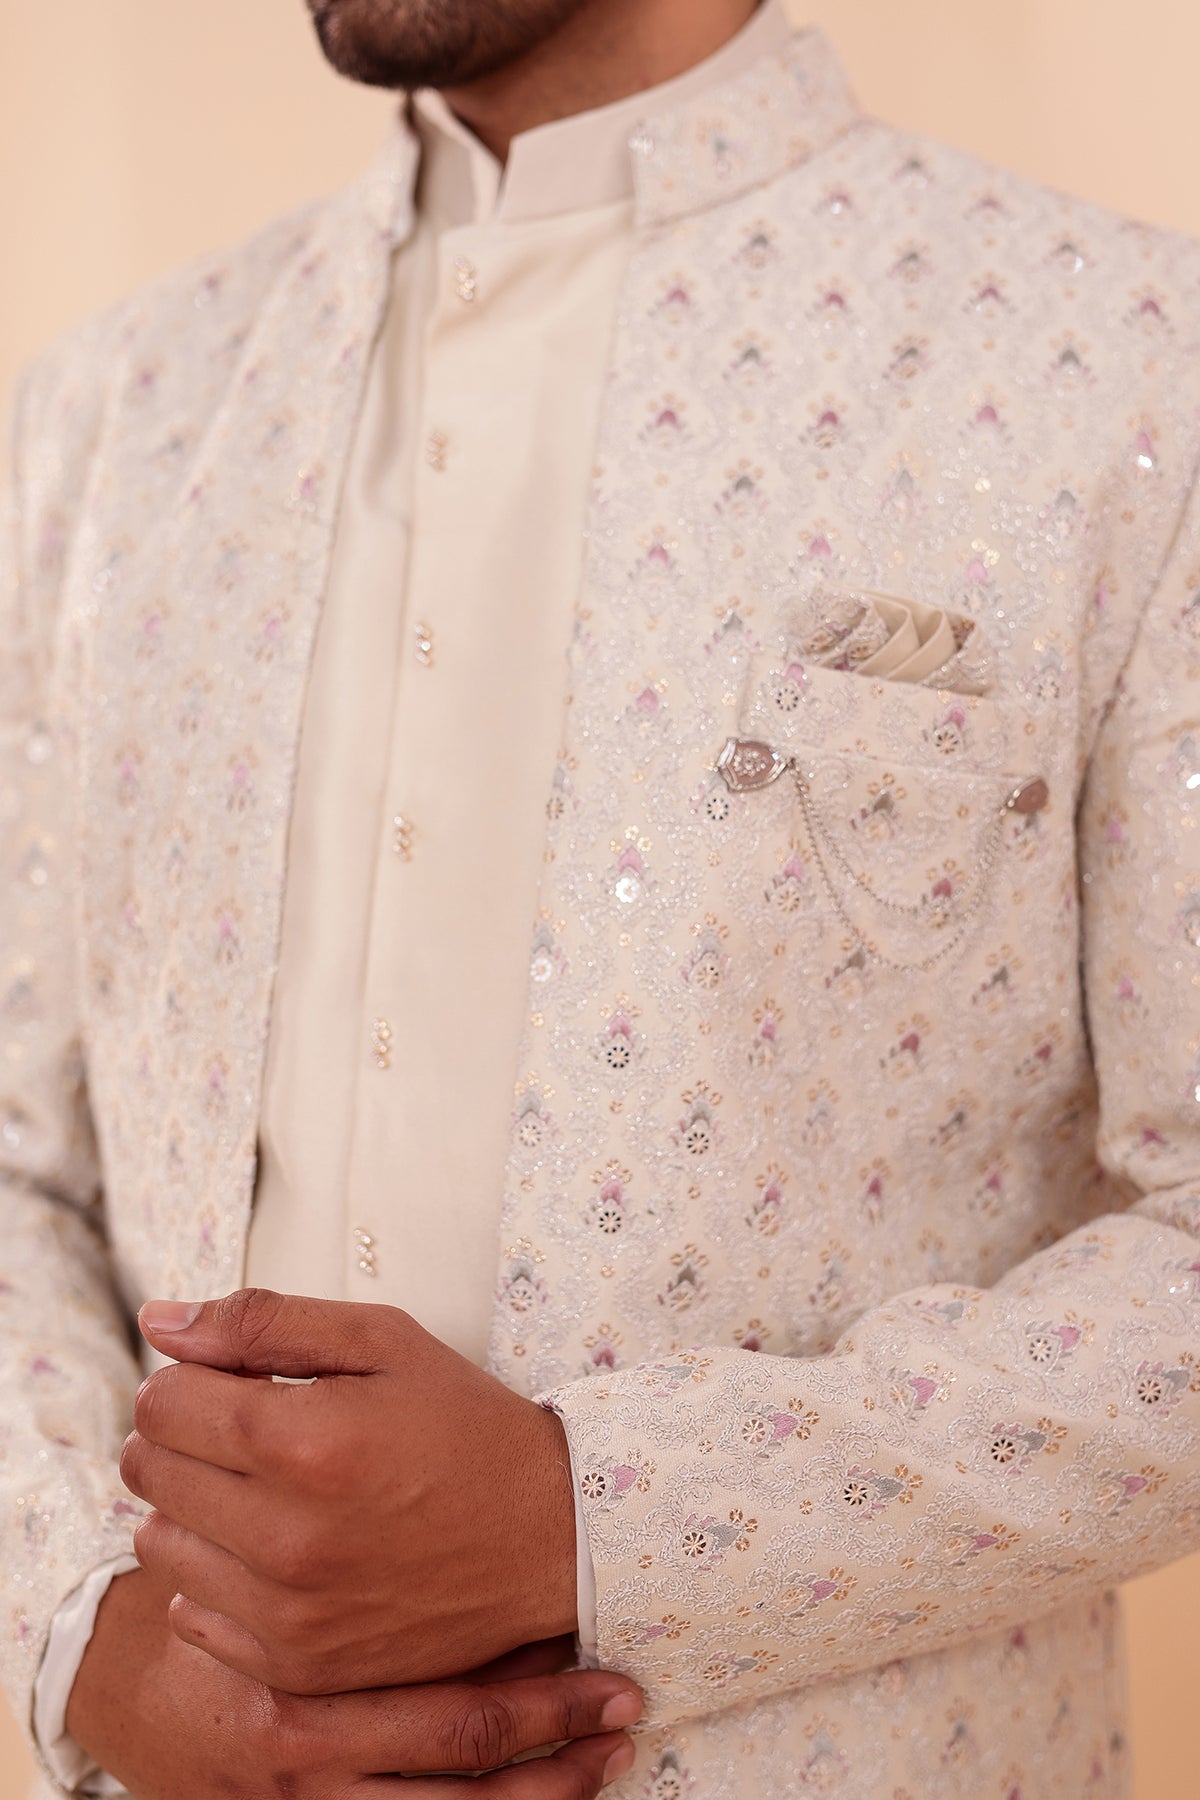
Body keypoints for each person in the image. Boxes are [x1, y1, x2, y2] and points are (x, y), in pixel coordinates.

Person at [2, 0, 1199, 1793]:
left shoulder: (1131, 367)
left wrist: (597, 1521)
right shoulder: (116, 417)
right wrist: (86, 1646)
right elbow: (19, 1163)